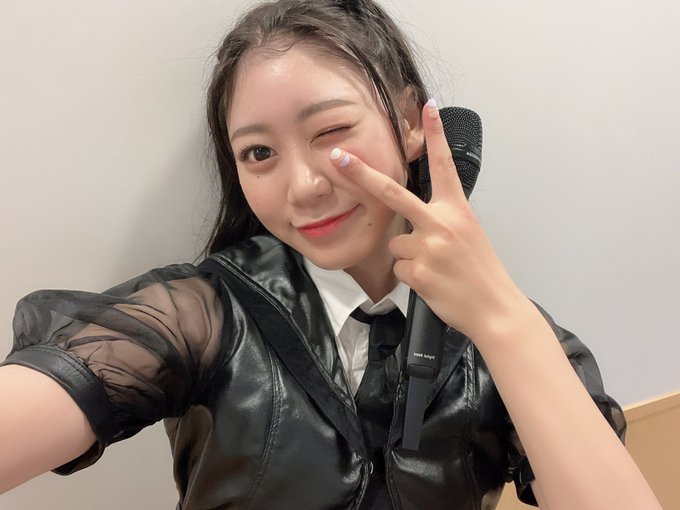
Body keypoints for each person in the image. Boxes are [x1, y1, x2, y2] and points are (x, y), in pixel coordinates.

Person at [0, 0, 662, 509]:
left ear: (412, 121)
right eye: (259, 153)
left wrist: (504, 323)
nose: (303, 187)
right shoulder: (203, 313)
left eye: (332, 130)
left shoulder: (514, 336)